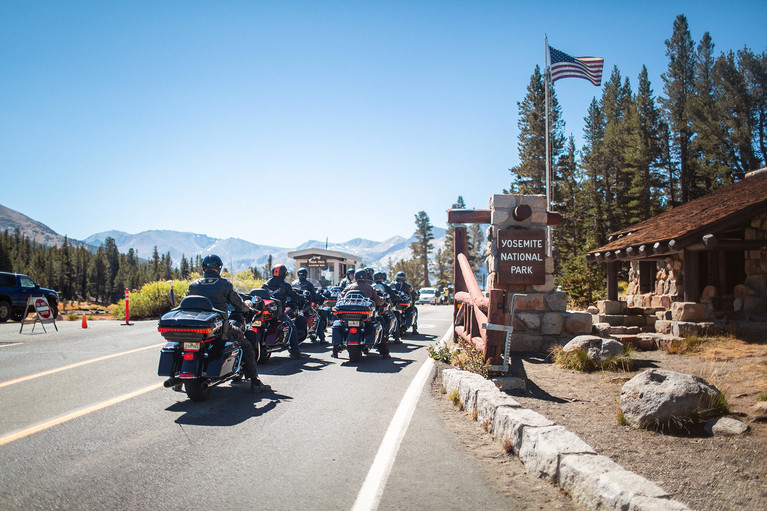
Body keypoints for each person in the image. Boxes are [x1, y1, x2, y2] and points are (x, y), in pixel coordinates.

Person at [187, 254, 270, 393]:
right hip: (220, 327)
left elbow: (188, 302)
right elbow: (238, 304)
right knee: (246, 345)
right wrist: (249, 309)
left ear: (204, 268)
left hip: (198, 326)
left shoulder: (194, 285)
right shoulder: (224, 285)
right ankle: (255, 382)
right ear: (218, 268)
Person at [336, 269, 388, 358]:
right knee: (379, 324)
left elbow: (340, 297)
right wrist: (383, 299)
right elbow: (378, 300)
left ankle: (335, 350)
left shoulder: (349, 287)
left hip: (348, 315)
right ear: (365, 277)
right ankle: (384, 352)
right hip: (364, 316)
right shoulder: (370, 288)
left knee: (339, 324)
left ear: (355, 277)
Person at [262, 264, 304, 359]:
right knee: (292, 326)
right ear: (283, 274)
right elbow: (294, 295)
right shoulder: (285, 285)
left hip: (265, 312)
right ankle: (295, 352)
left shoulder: (265, 285)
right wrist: (303, 298)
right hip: (278, 313)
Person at [292, 267, 325, 342]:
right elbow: (314, 296)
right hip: (305, 305)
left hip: (296, 305)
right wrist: (317, 298)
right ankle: (322, 338)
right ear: (306, 274)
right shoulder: (309, 284)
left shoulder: (293, 284)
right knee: (318, 318)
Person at [373, 271, 400, 343]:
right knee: (394, 317)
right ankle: (397, 338)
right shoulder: (386, 286)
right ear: (382, 278)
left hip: (374, 307)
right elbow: (393, 296)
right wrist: (396, 298)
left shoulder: (371, 287)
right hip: (383, 306)